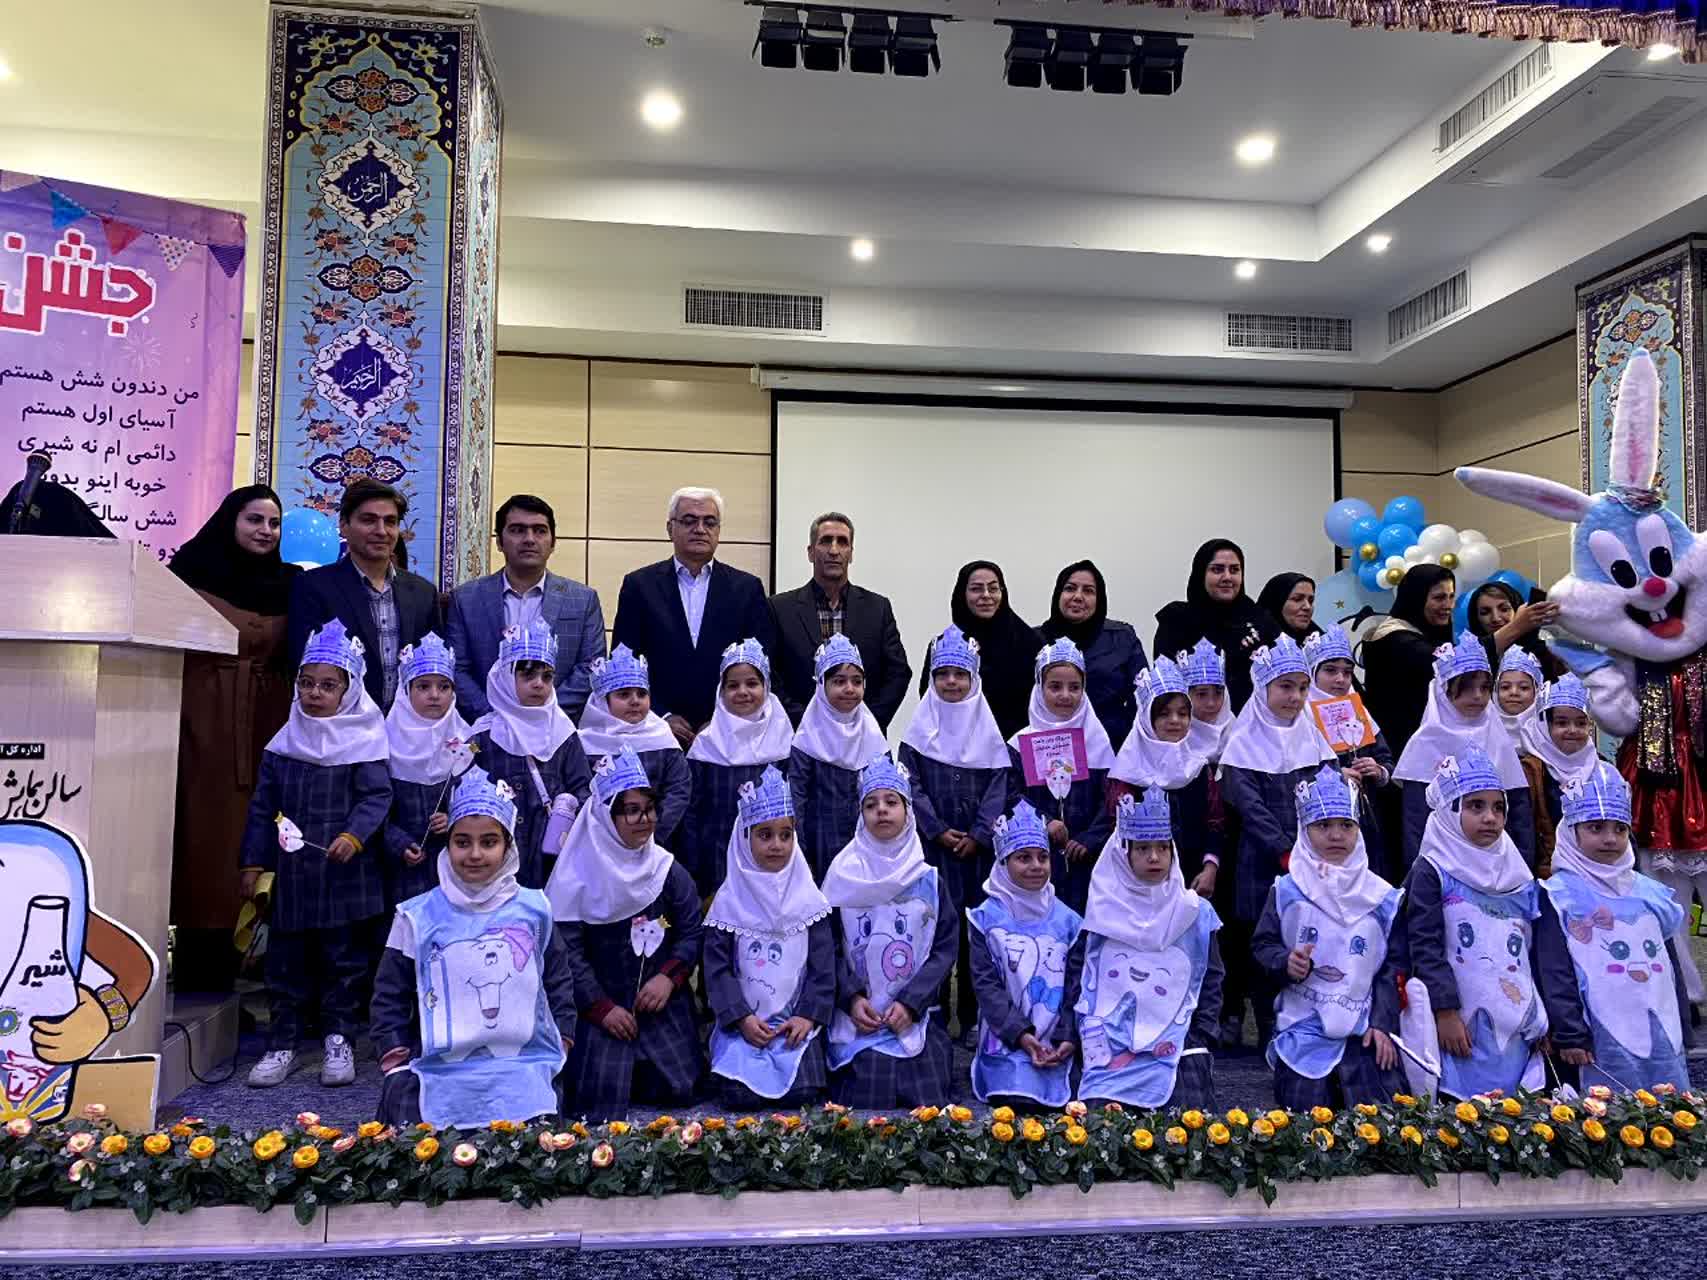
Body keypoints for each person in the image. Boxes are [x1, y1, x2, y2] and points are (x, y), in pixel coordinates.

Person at [369, 766, 577, 1127]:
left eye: (489, 842)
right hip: (440, 1066)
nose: (475, 854)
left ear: (508, 846)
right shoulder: (416, 916)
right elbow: (390, 993)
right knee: (410, 1123)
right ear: (448, 845)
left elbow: (557, 982)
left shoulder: (535, 909)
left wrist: (562, 1040)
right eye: (462, 842)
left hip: (522, 1061)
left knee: (536, 1135)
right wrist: (395, 1054)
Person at [239, 620, 392, 1088]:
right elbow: (263, 806)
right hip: (293, 877)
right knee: (286, 964)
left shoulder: (364, 740)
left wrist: (355, 835)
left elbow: (376, 797)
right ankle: (281, 1043)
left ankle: (339, 1040)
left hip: (343, 873)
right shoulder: (284, 744)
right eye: (307, 683)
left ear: (349, 689)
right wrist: (253, 862)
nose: (315, 693)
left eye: (328, 685)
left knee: (343, 964)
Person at [167, 483, 300, 991]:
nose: (266, 531)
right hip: (204, 722)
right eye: (254, 520)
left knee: (265, 831)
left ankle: (262, 972)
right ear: (230, 521)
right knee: (206, 838)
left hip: (271, 719)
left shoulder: (291, 582)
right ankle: (201, 970)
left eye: (274, 523)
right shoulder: (189, 571)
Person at [546, 748, 705, 1120]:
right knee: (597, 1095)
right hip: (599, 1006)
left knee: (678, 1085)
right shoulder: (574, 877)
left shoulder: (665, 869)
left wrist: (668, 979)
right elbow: (568, 956)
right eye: (631, 810)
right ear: (605, 815)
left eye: (649, 809)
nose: (644, 820)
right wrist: (601, 1008)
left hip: (657, 1000)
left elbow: (691, 931)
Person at [1399, 747, 1547, 1101]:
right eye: (1475, 806)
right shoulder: (1432, 870)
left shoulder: (1517, 874)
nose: (1490, 818)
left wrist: (1541, 1017)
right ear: (1450, 810)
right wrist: (1445, 1011)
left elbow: (1532, 953)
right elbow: (1425, 944)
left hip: (1514, 1017)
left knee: (1516, 1111)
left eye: (1498, 808)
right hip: (1459, 1021)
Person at [1251, 767, 1403, 1110]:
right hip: (1303, 1023)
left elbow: (1393, 967)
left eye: (1346, 825)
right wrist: (1285, 962)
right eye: (1323, 826)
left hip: (1364, 1025)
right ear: (1304, 831)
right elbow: (1262, 947)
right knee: (1305, 1117)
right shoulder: (1286, 890)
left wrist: (1382, 1023)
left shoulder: (1383, 899)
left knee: (1375, 1116)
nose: (1336, 835)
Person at [1536, 762, 1692, 1093]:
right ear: (1572, 831)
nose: (1610, 839)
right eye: (1595, 828)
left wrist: (1684, 1024)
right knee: (1608, 1111)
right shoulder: (1559, 895)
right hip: (1597, 1038)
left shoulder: (1650, 893)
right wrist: (1570, 1033)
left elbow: (1670, 966)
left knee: (1667, 1107)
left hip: (1660, 1025)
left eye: (1619, 829)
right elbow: (1555, 970)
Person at [1215, 635, 1336, 1051]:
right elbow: (1248, 805)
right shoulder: (1243, 741)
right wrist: (1284, 849)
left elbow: (1326, 793)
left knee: (1304, 936)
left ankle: (1303, 1026)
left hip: (1312, 857)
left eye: (1302, 688)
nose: (1295, 697)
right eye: (1285, 687)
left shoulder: (1313, 737)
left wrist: (1310, 847)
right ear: (1263, 687)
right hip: (1261, 860)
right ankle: (1266, 1027)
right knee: (1261, 940)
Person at [1068, 788, 1224, 1108]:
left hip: (1178, 1032)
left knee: (1186, 1119)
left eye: (1163, 848)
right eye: (1142, 848)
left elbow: (1211, 978)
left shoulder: (1196, 912)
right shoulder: (1102, 911)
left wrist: (1201, 1032)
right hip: (1110, 1036)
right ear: (1123, 854)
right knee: (1101, 1122)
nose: (1154, 857)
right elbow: (1081, 976)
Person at [822, 756, 957, 1108]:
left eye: (891, 802)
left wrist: (912, 1003)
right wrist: (852, 999)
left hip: (913, 1011)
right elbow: (826, 947)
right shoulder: (841, 876)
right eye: (871, 804)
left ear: (908, 812)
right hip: (857, 1011)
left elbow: (944, 948)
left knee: (926, 1087)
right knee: (866, 1083)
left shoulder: (928, 880)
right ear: (861, 815)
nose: (881, 810)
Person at [898, 625, 1010, 1037]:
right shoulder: (917, 733)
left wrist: (979, 833)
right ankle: (936, 1013)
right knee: (935, 927)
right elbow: (909, 784)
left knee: (975, 931)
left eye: (960, 674)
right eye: (943, 674)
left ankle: (975, 1013)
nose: (951, 682)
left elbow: (1000, 784)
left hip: (980, 853)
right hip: (935, 850)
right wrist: (938, 830)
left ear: (973, 678)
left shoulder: (988, 731)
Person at [703, 766, 835, 1110]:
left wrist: (808, 1016)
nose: (777, 845)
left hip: (795, 1023)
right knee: (739, 1096)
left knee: (803, 1092)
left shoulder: (810, 901)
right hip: (743, 1024)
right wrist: (741, 1018)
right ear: (744, 838)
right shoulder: (728, 903)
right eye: (765, 835)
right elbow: (717, 970)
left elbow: (823, 968)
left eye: (785, 835)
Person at [611, 487, 776, 746]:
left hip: (730, 733)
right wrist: (660, 716)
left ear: (718, 531)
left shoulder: (747, 588)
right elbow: (625, 661)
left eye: (709, 522)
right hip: (654, 733)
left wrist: (723, 718)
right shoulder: (639, 586)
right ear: (670, 529)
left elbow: (761, 665)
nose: (700, 529)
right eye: (689, 521)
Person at [446, 494, 606, 721]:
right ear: (499, 542)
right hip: (486, 728)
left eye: (540, 531)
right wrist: (494, 720)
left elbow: (590, 666)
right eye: (517, 530)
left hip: (557, 730)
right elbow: (457, 668)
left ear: (553, 543)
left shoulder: (583, 599)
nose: (529, 539)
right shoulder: (466, 599)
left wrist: (545, 717)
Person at [286, 480, 442, 711]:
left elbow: (434, 670)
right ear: (343, 526)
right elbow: (303, 667)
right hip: (339, 724)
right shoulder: (313, 587)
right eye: (369, 520)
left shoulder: (423, 593)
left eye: (390, 522)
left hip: (406, 727)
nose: (381, 531)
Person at [966, 802, 1083, 1108]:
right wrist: (1022, 1036)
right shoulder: (984, 919)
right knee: (1017, 1096)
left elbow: (1077, 986)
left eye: (1043, 857)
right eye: (1023, 858)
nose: (1036, 865)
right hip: (1008, 1035)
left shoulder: (1070, 922)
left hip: (1059, 1036)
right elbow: (987, 987)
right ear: (1003, 863)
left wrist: (1067, 1036)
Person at [1391, 634, 1536, 871]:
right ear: (1442, 690)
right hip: (1442, 870)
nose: (1478, 696)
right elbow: (1415, 826)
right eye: (1467, 687)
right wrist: (1422, 879)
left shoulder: (1498, 740)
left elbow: (1519, 818)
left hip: (1498, 868)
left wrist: (1521, 872)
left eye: (1485, 688)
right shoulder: (1423, 745)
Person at [467, 620, 593, 888]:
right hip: (495, 858)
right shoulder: (483, 735)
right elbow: (465, 785)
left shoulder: (564, 733)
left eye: (547, 677)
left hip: (551, 858)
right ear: (505, 677)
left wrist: (569, 807)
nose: (538, 684)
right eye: (527, 675)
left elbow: (583, 787)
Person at [769, 513, 912, 732]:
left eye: (842, 542)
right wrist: (808, 724)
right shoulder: (780, 609)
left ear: (851, 553)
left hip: (864, 740)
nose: (834, 550)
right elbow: (771, 675)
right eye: (826, 541)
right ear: (810, 552)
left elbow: (898, 672)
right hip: (800, 738)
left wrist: (866, 723)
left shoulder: (877, 608)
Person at [1005, 638, 1116, 915]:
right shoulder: (1019, 744)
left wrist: (1089, 838)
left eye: (1074, 687)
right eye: (1055, 686)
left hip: (1088, 861)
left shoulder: (1097, 741)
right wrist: (1044, 821)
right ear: (1039, 687)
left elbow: (1112, 799)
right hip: (1034, 860)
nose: (1065, 695)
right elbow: (1010, 795)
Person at [683, 639, 796, 898]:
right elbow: (691, 813)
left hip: (773, 859)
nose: (743, 692)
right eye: (733, 685)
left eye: (752, 683)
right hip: (716, 859)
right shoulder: (705, 744)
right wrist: (693, 865)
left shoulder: (785, 741)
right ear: (721, 691)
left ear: (766, 686)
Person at [1107, 657, 1222, 900]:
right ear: (1146, 719)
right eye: (1164, 714)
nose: (1175, 720)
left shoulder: (1199, 768)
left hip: (1196, 880)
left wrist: (1210, 867)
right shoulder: (1128, 773)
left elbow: (1215, 822)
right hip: (1141, 886)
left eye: (1183, 713)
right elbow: (1119, 837)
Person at [382, 634, 473, 907]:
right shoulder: (383, 742)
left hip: (454, 869)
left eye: (444, 686)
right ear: (405, 691)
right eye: (423, 686)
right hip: (400, 872)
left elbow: (477, 801)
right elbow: (375, 809)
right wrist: (398, 843)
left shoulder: (466, 741)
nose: (435, 695)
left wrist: (454, 818)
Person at [789, 635, 888, 880]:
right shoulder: (807, 738)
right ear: (822, 685)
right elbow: (796, 798)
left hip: (866, 842)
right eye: (839, 681)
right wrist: (799, 851)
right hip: (818, 843)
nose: (849, 689)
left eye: (857, 681)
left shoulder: (873, 735)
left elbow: (886, 793)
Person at [577, 645, 692, 849]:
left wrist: (651, 833)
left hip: (657, 843)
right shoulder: (585, 743)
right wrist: (610, 836)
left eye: (641, 694)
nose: (635, 701)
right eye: (624, 694)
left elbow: (678, 788)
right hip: (600, 844)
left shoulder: (663, 738)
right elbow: (581, 792)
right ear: (603, 701)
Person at [1305, 625, 1395, 876]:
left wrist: (1378, 771)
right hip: (1322, 823)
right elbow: (1295, 773)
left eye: (1347, 672)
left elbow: (1386, 759)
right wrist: (1334, 774)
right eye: (1330, 670)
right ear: (1312, 672)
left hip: (1366, 817)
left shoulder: (1359, 711)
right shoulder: (1300, 719)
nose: (1340, 679)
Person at [917, 561, 1041, 741]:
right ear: (962, 594)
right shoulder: (944, 646)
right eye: (976, 589)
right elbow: (929, 702)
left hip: (1017, 747)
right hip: (958, 746)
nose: (986, 595)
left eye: (993, 588)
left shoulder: (1029, 641)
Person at [1153, 539, 1280, 713]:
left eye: (1234, 570)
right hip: (1194, 723)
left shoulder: (1261, 619)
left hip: (1255, 722)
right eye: (1217, 569)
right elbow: (1166, 683)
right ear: (1201, 574)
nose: (1227, 577)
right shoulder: (1177, 620)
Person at [1040, 559, 1147, 748]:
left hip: (1111, 746)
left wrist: (1130, 744)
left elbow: (1142, 697)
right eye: (1070, 588)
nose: (1078, 597)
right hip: (1050, 749)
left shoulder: (1121, 637)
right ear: (1058, 594)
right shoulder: (1033, 640)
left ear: (1100, 599)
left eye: (1088, 591)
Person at [1359, 564, 1456, 761]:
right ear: (1416, 598)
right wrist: (1513, 629)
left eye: (1451, 596)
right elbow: (1449, 664)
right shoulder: (1396, 639)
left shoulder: (1428, 631)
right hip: (1400, 753)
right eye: (1439, 598)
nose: (1448, 605)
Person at [1518, 673, 1603, 878]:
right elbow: (1522, 837)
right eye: (1562, 723)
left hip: (1600, 874)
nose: (1572, 730)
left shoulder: (1602, 768)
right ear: (1544, 725)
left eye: (1581, 723)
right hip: (1547, 878)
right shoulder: (1529, 771)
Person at [1466, 580, 1565, 681]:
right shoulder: (1466, 654)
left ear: (1516, 610)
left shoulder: (1542, 653)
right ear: (1476, 619)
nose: (1495, 618)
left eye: (1504, 609)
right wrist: (1517, 625)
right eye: (1485, 612)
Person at [1181, 639, 1235, 764]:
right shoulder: (1172, 735)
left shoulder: (1236, 733)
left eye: (1218, 693)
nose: (1211, 703)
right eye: (1201, 694)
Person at [1257, 572, 1322, 645]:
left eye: (1311, 601)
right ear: (1277, 603)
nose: (1307, 607)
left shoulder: (1320, 641)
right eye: (1297, 599)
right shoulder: (1256, 645)